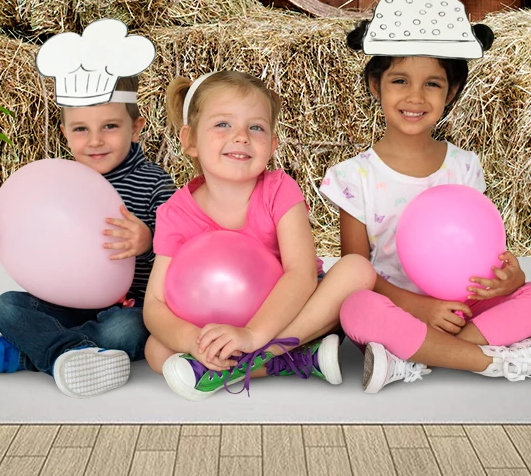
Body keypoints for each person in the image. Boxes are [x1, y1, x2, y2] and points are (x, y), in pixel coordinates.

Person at [322, 0, 531, 392]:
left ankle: (421, 359)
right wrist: (422, 308)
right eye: (400, 81)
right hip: (400, 309)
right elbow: (358, 272)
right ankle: (494, 360)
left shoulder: (464, 168)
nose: (415, 97)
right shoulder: (354, 177)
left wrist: (511, 279)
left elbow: (487, 255)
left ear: (451, 92)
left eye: (432, 84)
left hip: (464, 310)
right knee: (356, 307)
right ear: (375, 85)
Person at [0, 20, 176, 397]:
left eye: (109, 126)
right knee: (5, 307)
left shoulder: (155, 184)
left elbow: (185, 250)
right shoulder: (55, 182)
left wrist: (148, 240)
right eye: (80, 129)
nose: (94, 141)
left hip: (130, 306)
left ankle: (27, 354)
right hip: (64, 302)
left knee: (126, 331)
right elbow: (19, 225)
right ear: (64, 133)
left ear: (136, 127)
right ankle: (72, 354)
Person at [143, 70, 376, 400]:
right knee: (157, 350)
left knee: (358, 269)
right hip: (217, 322)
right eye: (223, 124)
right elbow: (154, 304)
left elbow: (301, 274)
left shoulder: (280, 189)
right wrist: (194, 340)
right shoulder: (175, 212)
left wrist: (253, 335)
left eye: (256, 127)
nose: (241, 136)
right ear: (190, 141)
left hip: (288, 313)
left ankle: (261, 355)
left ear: (272, 145)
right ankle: (296, 360)